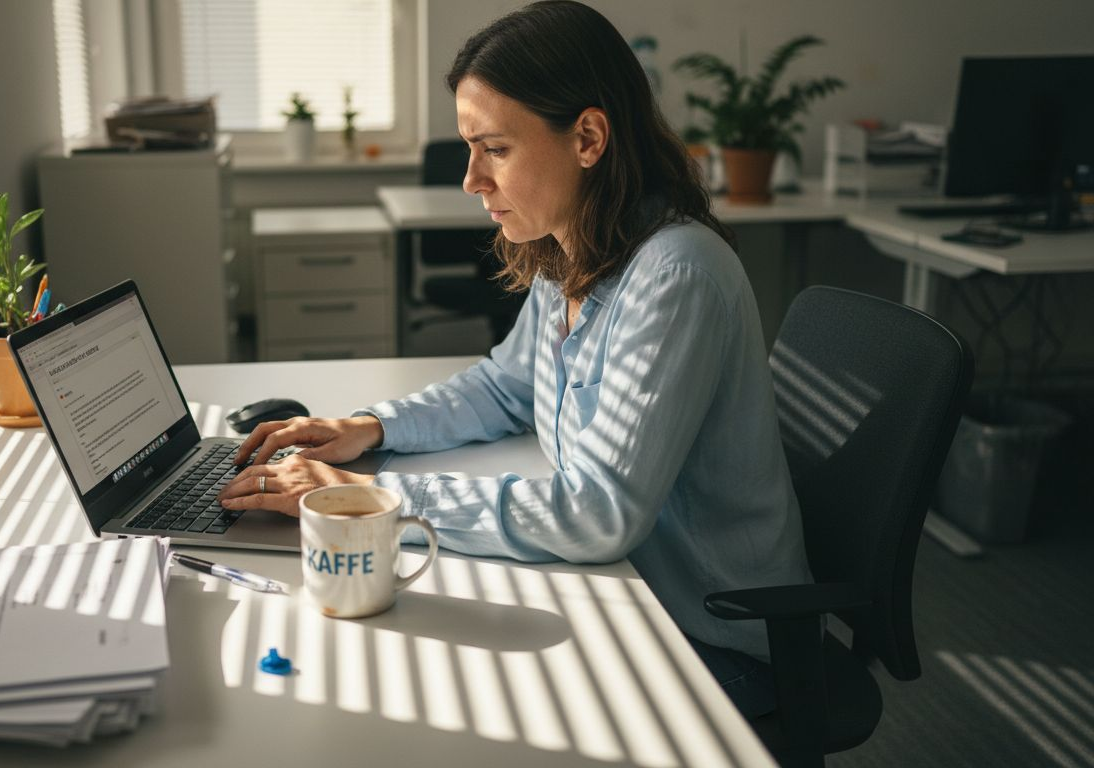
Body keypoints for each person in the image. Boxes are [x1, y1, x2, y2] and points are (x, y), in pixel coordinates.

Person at [216, 0, 811, 718]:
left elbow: (597, 513)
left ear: (588, 137)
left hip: (707, 635)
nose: (472, 179)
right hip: (628, 594)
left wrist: (377, 501)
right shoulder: (577, 251)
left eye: (495, 148)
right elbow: (506, 387)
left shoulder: (675, 275)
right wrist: (370, 428)